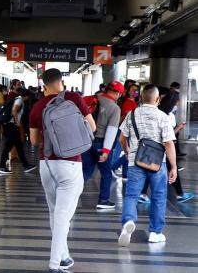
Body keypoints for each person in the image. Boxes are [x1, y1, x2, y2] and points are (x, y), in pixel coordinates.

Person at [29, 68, 96, 273]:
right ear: (61, 81)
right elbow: (91, 126)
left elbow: (34, 141)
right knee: (63, 215)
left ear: (44, 85)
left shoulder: (37, 107)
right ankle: (55, 263)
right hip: (71, 163)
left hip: (47, 164)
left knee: (55, 211)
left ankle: (64, 257)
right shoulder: (74, 98)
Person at [118, 84, 177, 247]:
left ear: (141, 98)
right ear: (157, 99)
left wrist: (128, 152)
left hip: (136, 162)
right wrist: (173, 167)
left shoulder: (132, 114)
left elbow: (122, 139)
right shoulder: (163, 116)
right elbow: (169, 144)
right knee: (158, 196)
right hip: (158, 163)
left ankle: (128, 222)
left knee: (131, 196)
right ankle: (155, 232)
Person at [82, 81, 124, 209]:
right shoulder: (115, 108)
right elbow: (111, 131)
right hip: (101, 142)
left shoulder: (93, 99)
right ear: (117, 93)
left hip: (87, 141)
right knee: (106, 173)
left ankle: (70, 194)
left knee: (85, 171)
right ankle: (103, 200)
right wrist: (106, 151)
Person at [158, 90, 193, 202]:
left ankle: (143, 194)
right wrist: (178, 128)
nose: (177, 105)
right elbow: (169, 135)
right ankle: (179, 194)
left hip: (158, 147)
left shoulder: (160, 113)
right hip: (166, 146)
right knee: (172, 168)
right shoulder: (168, 116)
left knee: (153, 169)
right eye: (176, 102)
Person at [0, 88, 37, 174]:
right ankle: (2, 167)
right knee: (7, 147)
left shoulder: (18, 99)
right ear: (26, 96)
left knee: (19, 147)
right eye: (28, 97)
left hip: (11, 126)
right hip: (11, 126)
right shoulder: (19, 100)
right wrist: (18, 122)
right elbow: (14, 110)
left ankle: (26, 166)